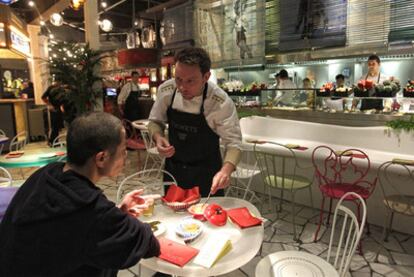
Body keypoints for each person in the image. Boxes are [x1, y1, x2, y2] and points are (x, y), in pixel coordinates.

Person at [0, 112, 160, 277]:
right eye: (123, 150)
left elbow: (70, 231)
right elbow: (148, 244)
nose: (125, 157)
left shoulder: (45, 175)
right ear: (102, 158)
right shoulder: (89, 207)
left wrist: (118, 213)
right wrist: (118, 219)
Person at [148, 47, 242, 197]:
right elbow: (154, 122)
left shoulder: (220, 102)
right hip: (174, 170)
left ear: (206, 77)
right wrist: (158, 137)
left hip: (207, 173)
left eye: (190, 81)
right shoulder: (167, 90)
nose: (182, 87)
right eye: (178, 79)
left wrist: (225, 171)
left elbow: (234, 144)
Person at [42, 81, 65, 146]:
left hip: (59, 108)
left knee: (58, 126)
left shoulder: (61, 89)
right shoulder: (51, 88)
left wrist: (62, 106)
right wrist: (49, 105)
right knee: (55, 126)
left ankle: (55, 141)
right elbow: (43, 97)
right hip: (54, 108)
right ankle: (51, 141)